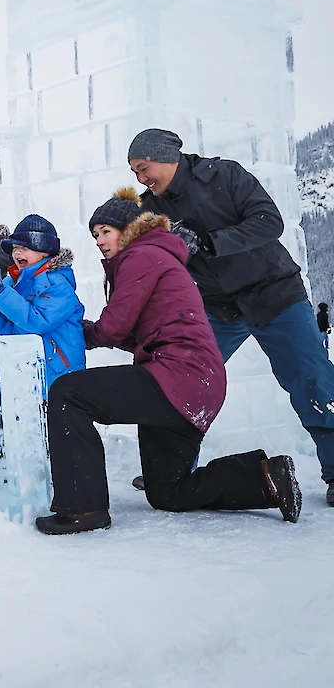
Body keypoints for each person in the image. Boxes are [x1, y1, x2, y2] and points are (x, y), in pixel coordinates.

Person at [36, 188, 302, 535]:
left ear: (128, 228)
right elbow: (132, 334)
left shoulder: (141, 255)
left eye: (105, 231)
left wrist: (77, 334)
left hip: (178, 376)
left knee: (68, 393)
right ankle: (266, 478)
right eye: (95, 235)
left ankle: (82, 508)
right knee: (169, 491)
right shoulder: (157, 256)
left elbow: (114, 327)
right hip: (196, 385)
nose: (99, 240)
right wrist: (90, 331)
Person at [129, 128, 334, 508]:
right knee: (175, 379)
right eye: (135, 172)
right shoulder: (150, 209)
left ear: (166, 157)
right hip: (216, 307)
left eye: (144, 168)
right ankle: (170, 469)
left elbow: (269, 221)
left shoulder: (224, 176)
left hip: (275, 295)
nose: (141, 178)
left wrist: (207, 241)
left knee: (313, 380)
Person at [0, 214, 85, 396]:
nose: (16, 253)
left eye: (24, 248)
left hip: (61, 374)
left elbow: (36, 322)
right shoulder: (14, 282)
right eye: (14, 248)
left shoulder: (58, 284)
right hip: (31, 374)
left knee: (63, 423)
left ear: (45, 251)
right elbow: (6, 329)